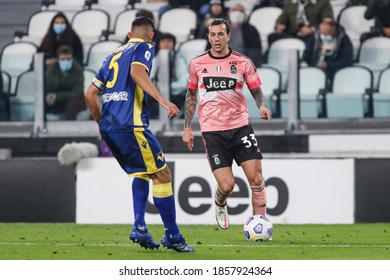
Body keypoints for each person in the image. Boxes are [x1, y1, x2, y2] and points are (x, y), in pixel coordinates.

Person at [84, 16, 194, 252]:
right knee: (163, 174)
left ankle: (140, 227)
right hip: (131, 124)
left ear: (128, 34)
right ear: (151, 35)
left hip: (111, 126)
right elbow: (136, 73)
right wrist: (164, 101)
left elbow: (90, 94)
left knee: (143, 172)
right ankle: (173, 236)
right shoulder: (144, 46)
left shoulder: (113, 53)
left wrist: (101, 124)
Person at [182, 18, 272, 230]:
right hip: (213, 131)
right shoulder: (197, 63)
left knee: (256, 179)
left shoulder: (243, 62)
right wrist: (187, 127)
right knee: (227, 185)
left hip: (240, 127)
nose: (216, 39)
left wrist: (262, 106)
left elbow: (255, 89)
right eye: (212, 35)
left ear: (228, 36)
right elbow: (191, 96)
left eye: (220, 34)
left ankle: (261, 223)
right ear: (208, 37)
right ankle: (220, 202)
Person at [301, 20, 353, 87]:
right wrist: (304, 62)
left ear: (334, 30)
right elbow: (307, 53)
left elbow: (347, 60)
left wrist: (328, 65)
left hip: (335, 70)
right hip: (315, 68)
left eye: (327, 34)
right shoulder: (314, 37)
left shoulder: (343, 39)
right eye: (323, 34)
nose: (324, 36)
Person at [150, 33, 188, 117]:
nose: (166, 43)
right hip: (157, 95)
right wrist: (157, 88)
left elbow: (183, 83)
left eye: (169, 41)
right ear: (159, 44)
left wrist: (167, 88)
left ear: (174, 44)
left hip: (174, 93)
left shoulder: (180, 59)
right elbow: (149, 78)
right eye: (163, 41)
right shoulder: (154, 60)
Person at [45, 45, 86, 120]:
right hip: (56, 101)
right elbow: (48, 89)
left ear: (72, 59)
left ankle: (72, 129)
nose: (66, 61)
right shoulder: (50, 71)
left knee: (71, 104)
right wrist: (49, 97)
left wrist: (57, 96)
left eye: (68, 59)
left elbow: (76, 92)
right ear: (58, 60)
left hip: (74, 100)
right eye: (63, 59)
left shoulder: (78, 70)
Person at [268, 0, 334, 47]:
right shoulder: (290, 2)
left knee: (311, 39)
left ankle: (305, 62)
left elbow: (328, 23)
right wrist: (279, 25)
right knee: (272, 36)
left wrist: (311, 29)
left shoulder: (323, 2)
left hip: (311, 35)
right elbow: (282, 18)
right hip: (292, 34)